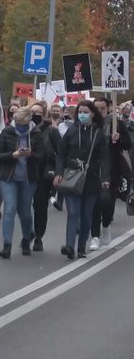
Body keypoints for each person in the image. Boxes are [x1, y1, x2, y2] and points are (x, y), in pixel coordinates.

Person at [54, 100, 110, 259]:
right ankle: (69, 246)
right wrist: (59, 172)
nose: (82, 115)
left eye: (85, 112)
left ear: (92, 113)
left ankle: (81, 247)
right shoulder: (72, 130)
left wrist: (105, 177)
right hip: (72, 178)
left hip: (91, 180)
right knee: (73, 213)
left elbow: (105, 158)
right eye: (80, 112)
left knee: (86, 215)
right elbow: (61, 153)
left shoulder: (98, 133)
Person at [0, 107, 45, 258]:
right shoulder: (7, 132)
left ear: (29, 121)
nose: (20, 128)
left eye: (23, 125)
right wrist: (13, 155)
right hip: (9, 177)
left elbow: (42, 156)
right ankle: (7, 244)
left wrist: (31, 154)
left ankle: (25, 239)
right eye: (18, 124)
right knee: (9, 208)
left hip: (28, 178)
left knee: (25, 211)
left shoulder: (36, 134)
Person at [88, 97, 131, 251]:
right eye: (96, 108)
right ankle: (94, 236)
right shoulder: (89, 125)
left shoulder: (115, 124)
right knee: (94, 204)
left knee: (107, 202)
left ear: (108, 109)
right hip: (92, 171)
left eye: (102, 108)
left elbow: (128, 144)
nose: (99, 111)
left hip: (112, 171)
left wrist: (118, 139)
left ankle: (106, 225)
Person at [30, 101, 61, 251]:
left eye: (38, 113)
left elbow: (60, 153)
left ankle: (38, 236)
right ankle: (28, 230)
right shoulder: (24, 130)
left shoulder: (51, 131)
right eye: (32, 112)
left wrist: (57, 172)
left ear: (44, 115)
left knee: (40, 205)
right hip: (26, 173)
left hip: (43, 174)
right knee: (23, 207)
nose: (35, 115)